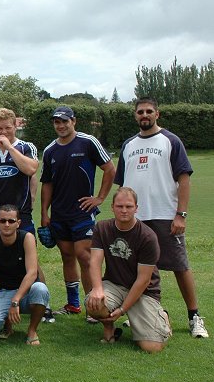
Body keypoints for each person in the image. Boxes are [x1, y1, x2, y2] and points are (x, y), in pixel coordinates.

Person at [115, 97, 208, 338]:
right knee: (139, 269)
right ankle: (146, 314)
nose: (144, 115)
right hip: (135, 219)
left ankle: (194, 317)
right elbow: (123, 184)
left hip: (165, 215)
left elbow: (184, 179)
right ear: (135, 115)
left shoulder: (170, 141)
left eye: (149, 111)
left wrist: (181, 215)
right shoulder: (128, 145)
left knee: (179, 265)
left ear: (157, 114)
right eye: (140, 112)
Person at [41, 106, 116, 317]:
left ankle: (93, 307)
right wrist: (44, 213)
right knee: (67, 256)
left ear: (73, 121)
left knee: (84, 256)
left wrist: (99, 198)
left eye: (65, 121)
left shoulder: (88, 142)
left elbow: (110, 169)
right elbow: (47, 183)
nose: (61, 126)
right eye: (57, 122)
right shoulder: (50, 150)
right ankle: (73, 304)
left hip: (82, 212)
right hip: (59, 214)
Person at [85, 187, 171, 352]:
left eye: (129, 206)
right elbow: (94, 261)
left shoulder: (147, 237)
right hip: (115, 285)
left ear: (136, 208)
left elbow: (144, 280)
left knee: (152, 348)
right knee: (93, 303)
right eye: (119, 206)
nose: (124, 210)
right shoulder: (102, 228)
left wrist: (123, 309)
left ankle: (162, 317)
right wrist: (97, 289)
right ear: (112, 207)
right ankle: (109, 328)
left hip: (144, 291)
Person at [0, 205, 50, 344]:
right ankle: (7, 325)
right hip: (6, 291)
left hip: (28, 291)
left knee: (40, 289)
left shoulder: (27, 238)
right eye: (2, 221)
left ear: (18, 223)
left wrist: (15, 300)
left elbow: (32, 273)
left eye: (11, 221)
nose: (6, 224)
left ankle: (32, 330)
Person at [0, 108, 39, 233]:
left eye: (8, 127)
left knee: (26, 244)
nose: (4, 132)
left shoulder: (26, 147)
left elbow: (31, 169)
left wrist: (9, 147)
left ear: (15, 126)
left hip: (21, 213)